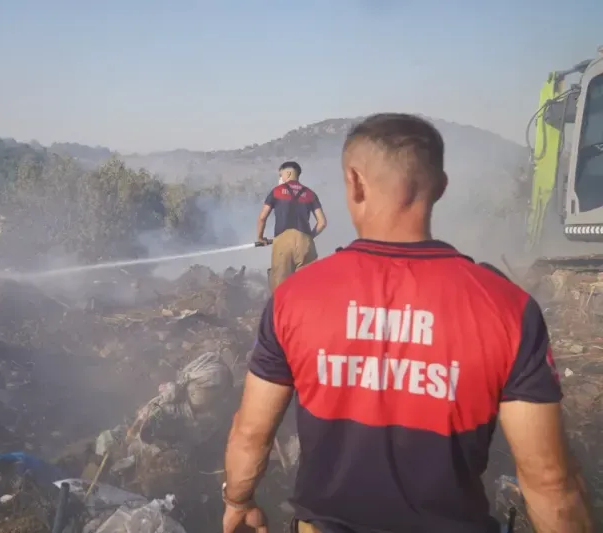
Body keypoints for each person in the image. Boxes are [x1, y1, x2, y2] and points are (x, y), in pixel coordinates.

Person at [223, 114, 594, 533]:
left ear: (355, 182)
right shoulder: (508, 307)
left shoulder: (293, 298)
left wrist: (238, 499)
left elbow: (251, 433)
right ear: (441, 187)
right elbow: (551, 483)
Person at [257, 161, 327, 291]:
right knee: (308, 289)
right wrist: (308, 237)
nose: (280, 178)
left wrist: (261, 238)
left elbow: (262, 217)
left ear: (288, 173)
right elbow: (322, 222)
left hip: (283, 242)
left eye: (281, 175)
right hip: (306, 243)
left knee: (280, 289)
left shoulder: (276, 191)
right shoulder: (310, 194)